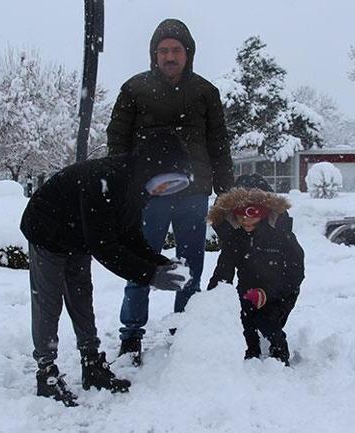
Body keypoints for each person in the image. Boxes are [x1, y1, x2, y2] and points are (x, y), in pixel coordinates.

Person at [19, 131, 191, 406]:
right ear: (153, 167)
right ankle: (47, 373)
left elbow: (130, 237)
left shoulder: (137, 186)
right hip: (47, 230)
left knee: (81, 299)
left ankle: (92, 364)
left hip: (78, 237)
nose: (164, 191)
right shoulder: (106, 180)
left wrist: (162, 265)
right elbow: (105, 247)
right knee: (48, 302)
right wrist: (151, 275)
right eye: (165, 182)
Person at [107, 18, 234, 365]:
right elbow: (117, 141)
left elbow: (218, 144)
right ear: (154, 54)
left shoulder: (206, 93)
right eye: (163, 50)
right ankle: (131, 335)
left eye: (175, 50)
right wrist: (121, 184)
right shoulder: (134, 90)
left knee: (190, 265)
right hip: (149, 195)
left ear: (188, 53)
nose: (169, 56)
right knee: (140, 263)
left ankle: (184, 330)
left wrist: (226, 190)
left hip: (194, 194)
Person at [206, 186, 305, 365]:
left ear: (265, 213)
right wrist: (211, 301)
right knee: (244, 319)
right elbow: (223, 271)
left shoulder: (282, 236)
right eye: (241, 216)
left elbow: (295, 272)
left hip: (281, 292)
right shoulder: (235, 238)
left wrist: (269, 293)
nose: (246, 220)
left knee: (266, 320)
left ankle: (279, 356)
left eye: (253, 215)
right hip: (247, 290)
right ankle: (251, 350)